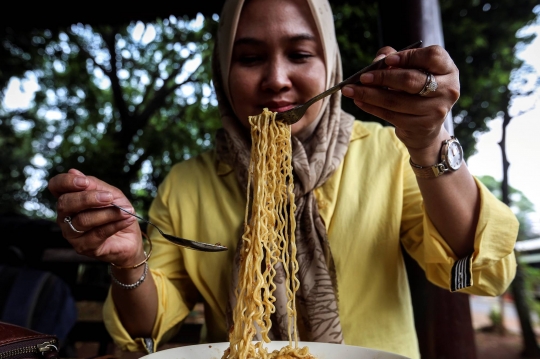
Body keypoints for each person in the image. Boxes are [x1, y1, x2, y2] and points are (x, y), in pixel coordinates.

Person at [47, 0, 519, 358]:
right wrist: (130, 261)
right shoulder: (188, 183)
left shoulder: (388, 153)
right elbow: (149, 331)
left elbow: (480, 272)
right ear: (222, 73)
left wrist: (429, 143)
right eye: (250, 58)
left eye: (299, 53)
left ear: (330, 64)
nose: (276, 79)